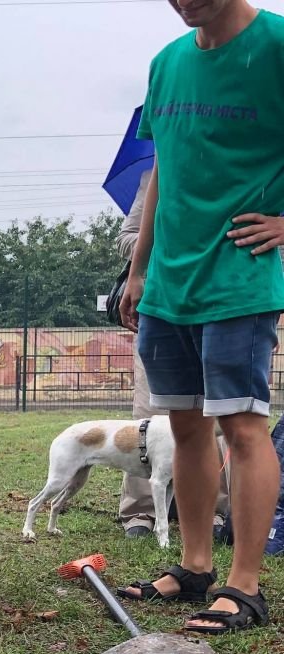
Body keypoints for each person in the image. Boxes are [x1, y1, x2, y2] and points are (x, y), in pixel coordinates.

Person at [118, 0, 284, 633]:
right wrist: (139, 268)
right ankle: (194, 567)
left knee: (243, 427)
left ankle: (245, 586)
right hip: (169, 281)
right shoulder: (166, 64)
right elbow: (164, 170)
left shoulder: (275, 46)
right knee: (183, 426)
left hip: (239, 275)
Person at [116, 169, 230, 539]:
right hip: (161, 305)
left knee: (220, 417)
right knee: (148, 415)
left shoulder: (240, 167)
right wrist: (161, 244)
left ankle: (213, 510)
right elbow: (127, 237)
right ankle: (140, 511)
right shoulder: (157, 172)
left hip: (222, 303)